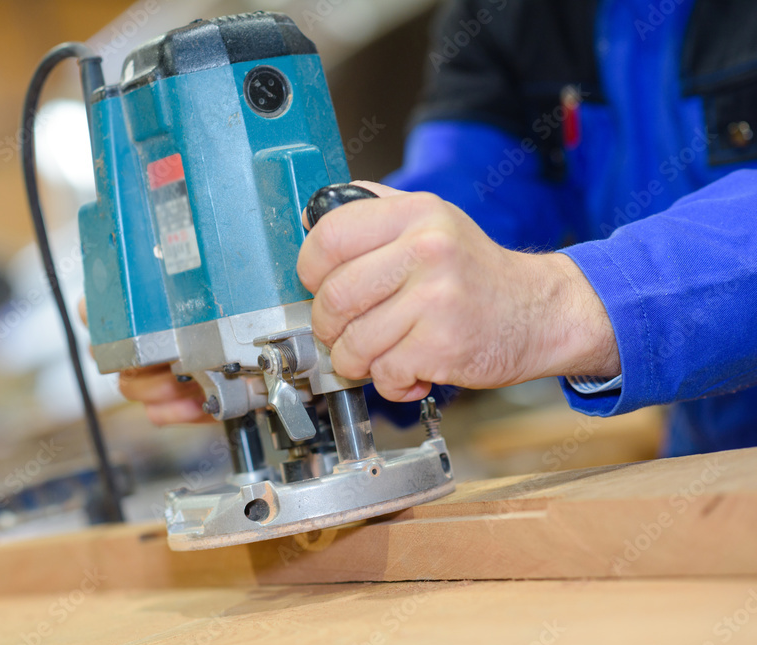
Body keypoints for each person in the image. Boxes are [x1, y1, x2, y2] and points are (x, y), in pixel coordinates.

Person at [108, 0, 757, 455]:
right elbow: (455, 205)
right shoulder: (506, 17)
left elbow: (517, 295)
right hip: (704, 479)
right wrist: (301, 337)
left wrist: (554, 304)